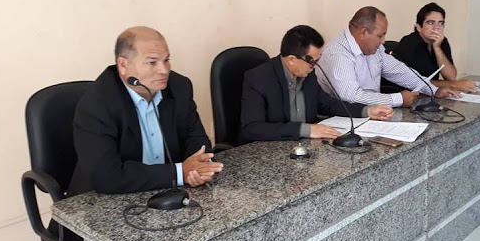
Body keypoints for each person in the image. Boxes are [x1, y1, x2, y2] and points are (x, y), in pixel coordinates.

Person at [69, 26, 223, 196]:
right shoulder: (97, 104)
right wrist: (179, 173)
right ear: (123, 65)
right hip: (101, 199)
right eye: (152, 62)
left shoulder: (179, 87)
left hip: (167, 190)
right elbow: (107, 176)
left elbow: (196, 139)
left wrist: (200, 169)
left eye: (166, 60)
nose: (164, 70)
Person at [240, 25, 393, 142]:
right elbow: (252, 128)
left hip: (305, 148)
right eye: (312, 61)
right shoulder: (259, 78)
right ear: (292, 59)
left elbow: (328, 104)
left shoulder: (308, 73)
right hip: (270, 152)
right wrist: (306, 130)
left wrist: (366, 111)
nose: (316, 66)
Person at [317, 6, 459, 107]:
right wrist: (397, 99)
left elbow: (400, 72)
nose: (383, 41)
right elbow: (351, 97)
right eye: (380, 35)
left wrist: (433, 90)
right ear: (364, 32)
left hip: (372, 114)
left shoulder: (374, 49)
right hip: (342, 120)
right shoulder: (338, 54)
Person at [391, 3, 477, 92]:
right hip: (406, 93)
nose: (436, 28)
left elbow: (451, 76)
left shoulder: (441, 41)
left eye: (440, 23)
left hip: (431, 92)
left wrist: (437, 48)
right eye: (431, 23)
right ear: (419, 27)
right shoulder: (409, 43)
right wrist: (454, 85)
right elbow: (415, 82)